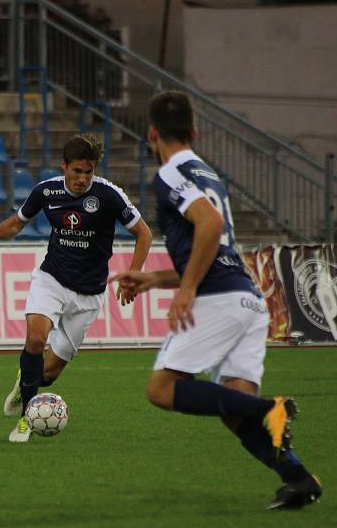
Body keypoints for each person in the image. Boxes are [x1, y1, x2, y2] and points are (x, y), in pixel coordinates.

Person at [110, 90, 321, 510]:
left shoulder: (170, 173)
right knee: (233, 410)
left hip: (218, 301)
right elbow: (215, 250)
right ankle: (299, 479)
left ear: (151, 133)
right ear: (195, 131)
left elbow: (210, 224)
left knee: (162, 389)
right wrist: (154, 278)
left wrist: (186, 291)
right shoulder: (208, 173)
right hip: (247, 301)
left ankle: (269, 407)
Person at [0, 134, 152, 442]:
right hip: (52, 279)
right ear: (64, 166)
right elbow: (18, 222)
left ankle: (25, 382)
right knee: (35, 338)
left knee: (48, 374)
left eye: (89, 171)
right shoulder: (46, 191)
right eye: (77, 171)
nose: (83, 178)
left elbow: (144, 233)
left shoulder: (110, 195)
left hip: (89, 294)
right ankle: (25, 422)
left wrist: (133, 274)